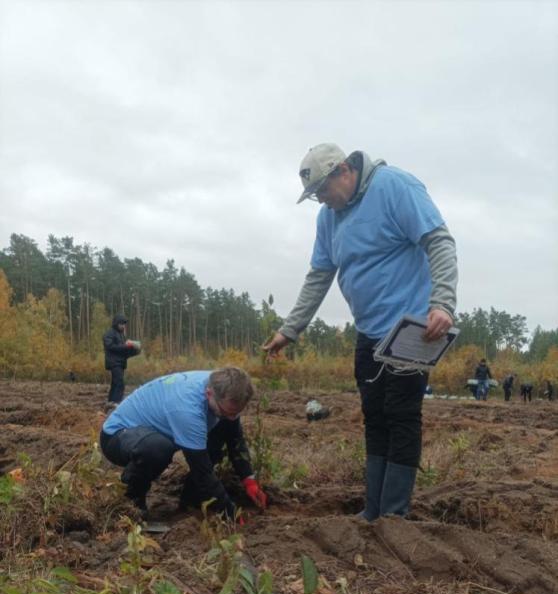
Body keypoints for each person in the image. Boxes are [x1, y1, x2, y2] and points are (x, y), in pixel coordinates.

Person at [264, 143, 457, 521]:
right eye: (314, 195)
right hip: (368, 332)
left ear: (343, 171)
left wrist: (443, 303)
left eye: (322, 190)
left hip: (411, 328)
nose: (321, 200)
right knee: (374, 415)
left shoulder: (395, 187)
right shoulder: (328, 218)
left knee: (401, 414)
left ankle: (394, 516)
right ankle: (372, 512)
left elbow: (439, 241)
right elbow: (320, 275)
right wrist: (290, 329)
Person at [100, 367, 267, 519]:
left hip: (153, 431)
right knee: (157, 449)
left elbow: (234, 437)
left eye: (236, 413)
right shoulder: (188, 408)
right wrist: (230, 512)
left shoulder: (222, 385)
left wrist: (249, 480)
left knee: (222, 427)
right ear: (209, 394)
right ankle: (132, 503)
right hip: (117, 437)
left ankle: (191, 500)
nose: (231, 418)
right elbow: (201, 469)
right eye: (226, 412)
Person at [103, 314, 141, 404]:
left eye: (124, 324)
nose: (123, 326)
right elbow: (110, 346)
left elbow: (123, 350)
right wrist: (125, 346)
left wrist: (134, 350)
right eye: (121, 324)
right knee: (119, 383)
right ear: (116, 323)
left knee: (115, 383)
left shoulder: (121, 335)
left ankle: (111, 403)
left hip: (120, 363)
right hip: (114, 362)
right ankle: (116, 403)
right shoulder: (109, 333)